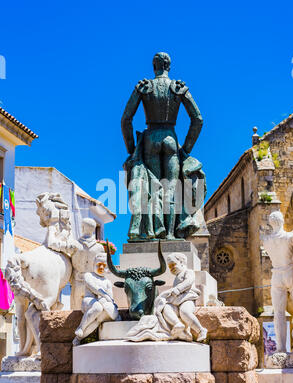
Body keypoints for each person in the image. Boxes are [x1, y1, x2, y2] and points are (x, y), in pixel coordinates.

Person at [121, 52, 206, 241]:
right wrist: (186, 149)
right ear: (169, 66)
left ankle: (153, 232)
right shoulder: (178, 88)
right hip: (170, 139)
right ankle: (169, 234)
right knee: (171, 188)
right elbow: (198, 120)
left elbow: (126, 119)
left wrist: (131, 148)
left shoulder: (144, 88)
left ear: (154, 66)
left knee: (153, 187)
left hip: (150, 139)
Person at [262, 204, 293, 353]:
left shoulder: (266, 240)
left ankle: (281, 349)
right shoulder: (289, 237)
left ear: (271, 223)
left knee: (278, 314)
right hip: (290, 273)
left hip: (276, 276)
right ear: (282, 221)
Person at [73, 253, 119, 346]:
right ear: (94, 264)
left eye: (104, 265)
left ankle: (78, 338)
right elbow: (93, 287)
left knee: (99, 318)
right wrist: (104, 296)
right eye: (99, 265)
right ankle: (81, 328)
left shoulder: (107, 282)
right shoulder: (89, 275)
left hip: (102, 303)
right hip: (89, 300)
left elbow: (111, 297)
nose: (101, 267)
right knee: (97, 308)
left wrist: (111, 304)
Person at [70, 218, 105, 309]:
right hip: (93, 282)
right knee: (93, 309)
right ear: (93, 229)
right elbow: (102, 268)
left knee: (76, 310)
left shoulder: (75, 245)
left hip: (78, 280)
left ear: (83, 227)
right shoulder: (99, 247)